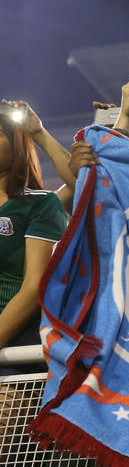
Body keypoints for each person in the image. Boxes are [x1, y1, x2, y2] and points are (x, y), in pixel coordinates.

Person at [0, 102, 68, 351]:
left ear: (17, 146)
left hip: (16, 340)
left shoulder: (40, 203)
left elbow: (33, 287)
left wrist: (38, 132)